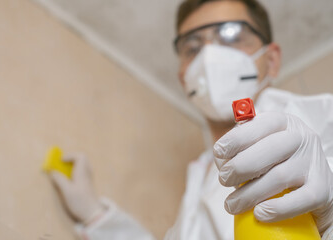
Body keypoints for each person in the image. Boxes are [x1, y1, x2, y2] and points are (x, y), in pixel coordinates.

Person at [49, 0, 333, 239]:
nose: (210, 57)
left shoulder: (323, 119)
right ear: (184, 77)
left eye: (232, 35)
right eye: (193, 47)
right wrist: (96, 216)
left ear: (271, 60)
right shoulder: (201, 174)